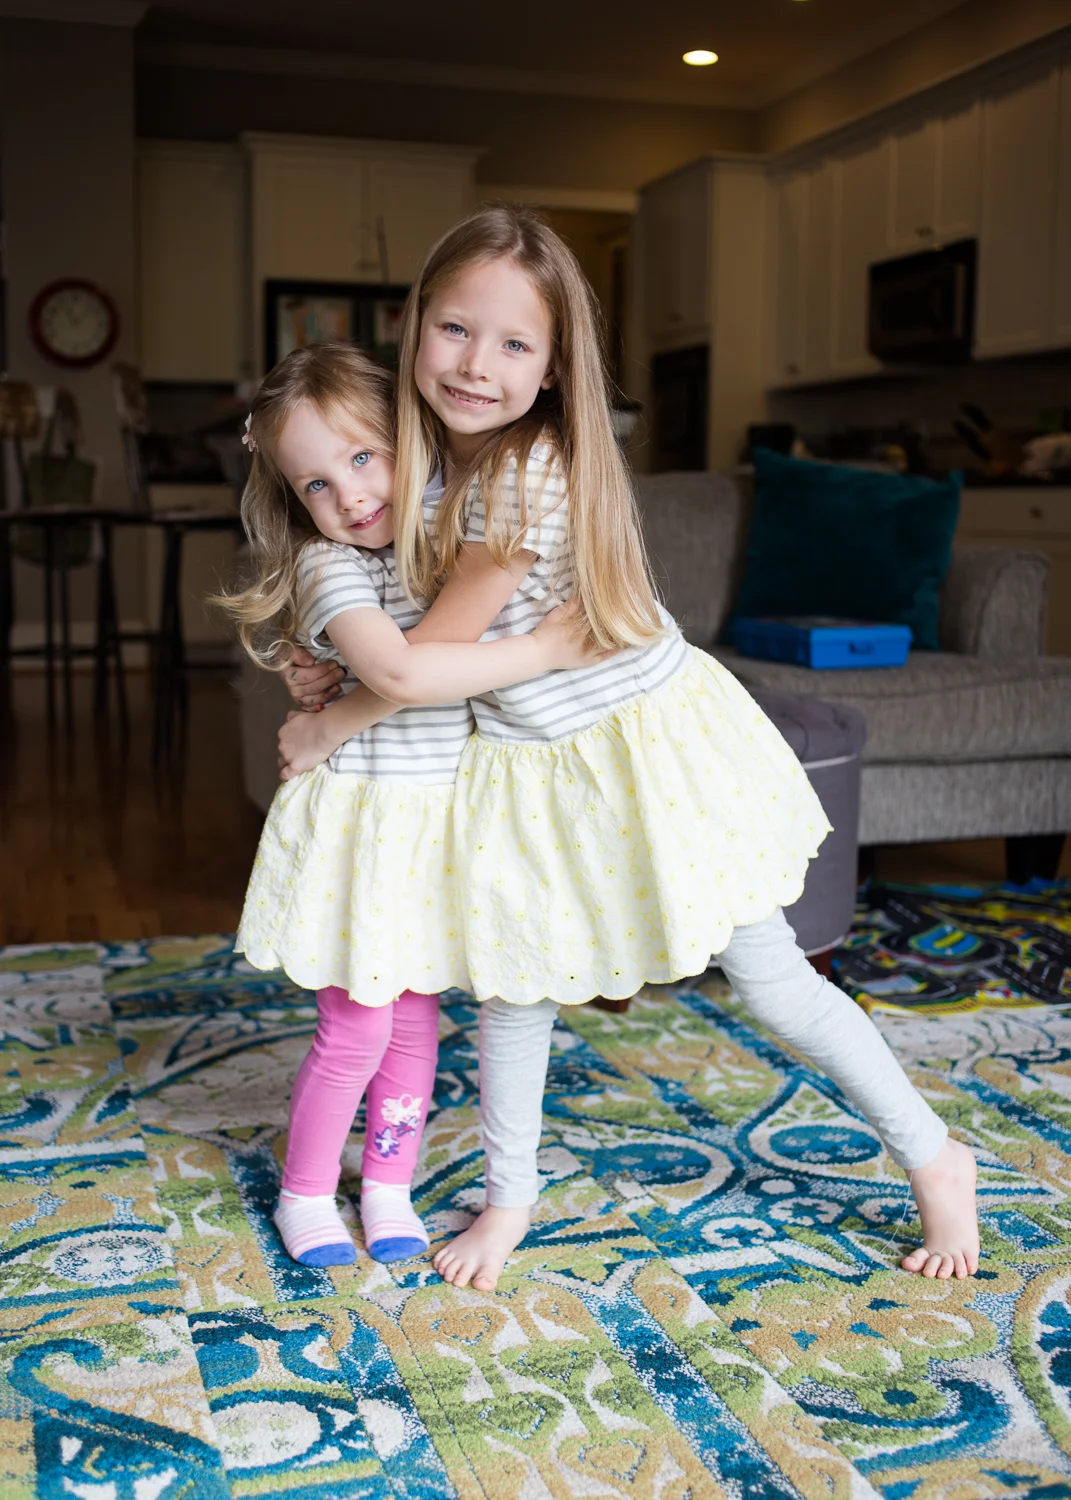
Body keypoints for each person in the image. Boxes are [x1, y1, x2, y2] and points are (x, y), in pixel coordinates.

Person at [279, 206, 981, 1295]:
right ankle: (511, 1198)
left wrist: (332, 720)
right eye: (455, 329)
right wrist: (319, 662)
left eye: (514, 343)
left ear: (556, 366)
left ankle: (935, 1157)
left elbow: (418, 666)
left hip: (640, 755)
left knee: (772, 981)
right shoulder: (422, 463)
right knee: (513, 987)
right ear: (416, 329)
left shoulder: (523, 474)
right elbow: (386, 606)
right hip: (526, 761)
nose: (476, 364)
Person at [218, 342, 600, 1270]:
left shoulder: (445, 545)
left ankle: (388, 1183)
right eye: (315, 483)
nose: (348, 496)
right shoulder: (330, 567)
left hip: (434, 829)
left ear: (409, 442)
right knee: (357, 1024)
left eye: (363, 458)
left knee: (417, 1025)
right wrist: (548, 649)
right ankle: (306, 1192)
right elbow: (396, 669)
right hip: (363, 830)